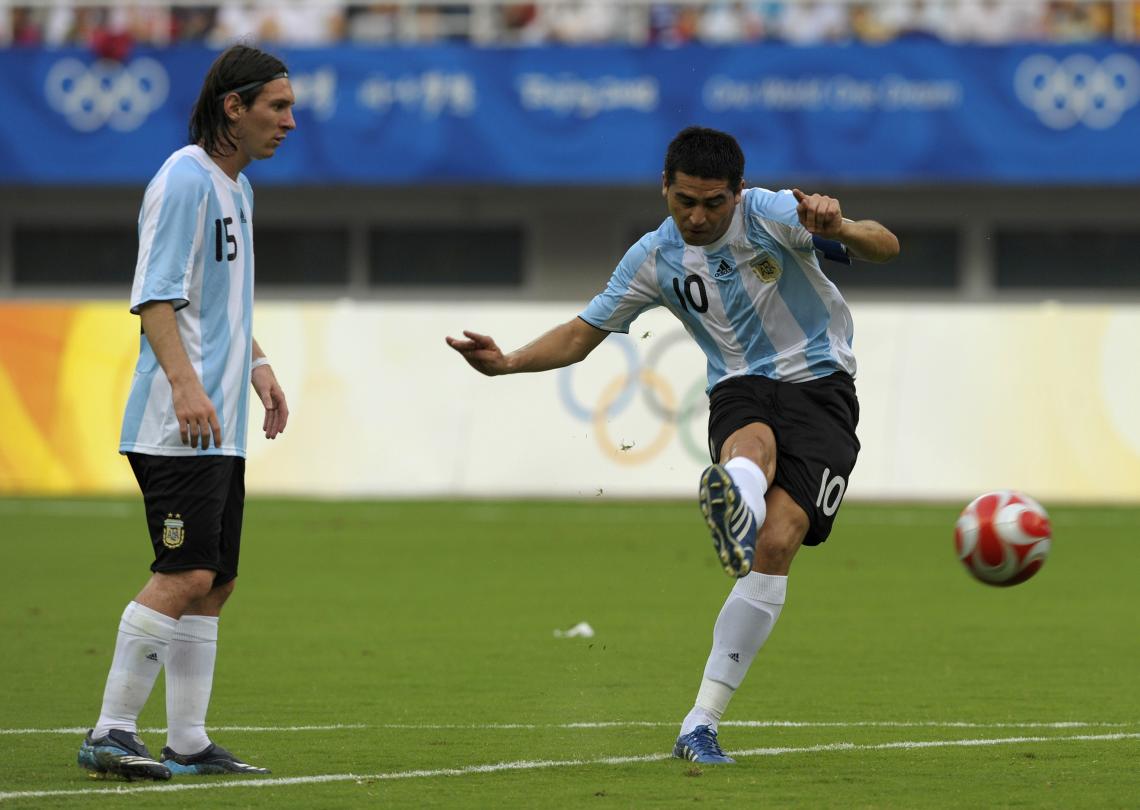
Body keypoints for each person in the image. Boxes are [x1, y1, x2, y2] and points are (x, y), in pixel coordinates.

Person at [446, 126, 899, 764]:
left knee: (777, 545)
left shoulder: (774, 215)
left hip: (822, 386)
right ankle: (736, 499)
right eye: (684, 199)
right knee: (751, 442)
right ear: (664, 187)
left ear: (738, 195)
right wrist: (509, 360)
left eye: (714, 203)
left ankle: (699, 716)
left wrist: (840, 226)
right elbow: (582, 333)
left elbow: (887, 245)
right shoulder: (654, 258)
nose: (697, 215)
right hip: (739, 385)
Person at [77, 43, 295, 781]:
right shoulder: (182, 181)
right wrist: (185, 385)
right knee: (185, 570)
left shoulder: (238, 189)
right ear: (233, 108)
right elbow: (156, 296)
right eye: (277, 107)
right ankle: (110, 730)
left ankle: (190, 741)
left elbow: (222, 300)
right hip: (179, 424)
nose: (289, 123)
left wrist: (258, 369)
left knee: (216, 578)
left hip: (219, 424)